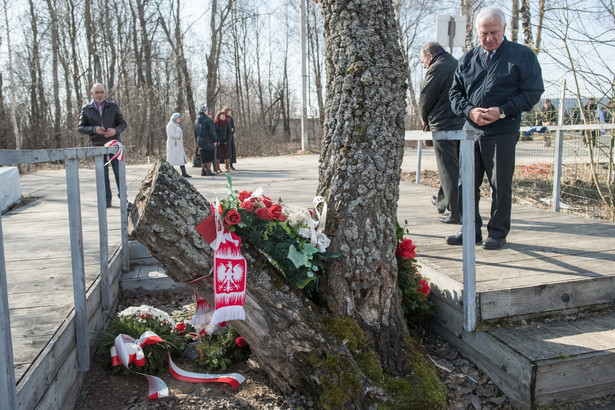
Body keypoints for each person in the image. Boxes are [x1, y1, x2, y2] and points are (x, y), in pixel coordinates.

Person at [448, 6, 544, 250]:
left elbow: (533, 92)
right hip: (470, 131)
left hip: (502, 130)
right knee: (465, 184)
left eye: (493, 32)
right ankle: (470, 230)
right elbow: (454, 93)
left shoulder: (522, 56)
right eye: (483, 34)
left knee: (499, 184)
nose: (489, 38)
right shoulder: (468, 59)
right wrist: (469, 111)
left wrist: (502, 110)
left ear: (504, 29)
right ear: (477, 33)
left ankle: (498, 233)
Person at [419, 42, 465, 225]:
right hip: (461, 122)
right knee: (455, 167)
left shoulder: (436, 68)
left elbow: (426, 97)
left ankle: (455, 213)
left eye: (423, 61)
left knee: (448, 169)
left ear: (430, 55)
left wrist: (424, 118)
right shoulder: (458, 64)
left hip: (443, 123)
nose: (423, 66)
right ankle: (442, 201)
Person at [78, 83, 128, 208]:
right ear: (92, 93)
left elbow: (122, 123)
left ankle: (123, 199)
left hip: (114, 145)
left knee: (119, 172)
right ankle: (106, 200)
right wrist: (94, 129)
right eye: (96, 92)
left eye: (101, 92)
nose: (99, 95)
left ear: (105, 92)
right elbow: (81, 127)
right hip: (97, 146)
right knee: (103, 174)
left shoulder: (113, 106)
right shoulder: (86, 109)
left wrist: (115, 131)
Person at [166, 113, 191, 178]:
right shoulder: (170, 125)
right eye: (179, 118)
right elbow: (171, 134)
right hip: (173, 145)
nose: (180, 119)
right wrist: (179, 136)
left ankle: (184, 172)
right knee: (171, 159)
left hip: (178, 145)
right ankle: (168, 172)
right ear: (176, 118)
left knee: (181, 159)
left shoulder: (176, 125)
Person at [194, 106, 217, 176]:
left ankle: (203, 170)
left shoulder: (196, 121)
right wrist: (215, 140)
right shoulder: (208, 120)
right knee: (209, 157)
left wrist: (197, 141)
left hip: (200, 141)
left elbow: (195, 132)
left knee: (203, 157)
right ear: (205, 111)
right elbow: (212, 131)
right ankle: (209, 170)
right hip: (208, 141)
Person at [224, 106, 237, 170]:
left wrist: (233, 129)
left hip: (230, 136)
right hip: (225, 136)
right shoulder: (224, 118)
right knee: (226, 151)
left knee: (231, 150)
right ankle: (227, 164)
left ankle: (231, 164)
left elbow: (233, 127)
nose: (230, 113)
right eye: (229, 112)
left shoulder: (230, 119)